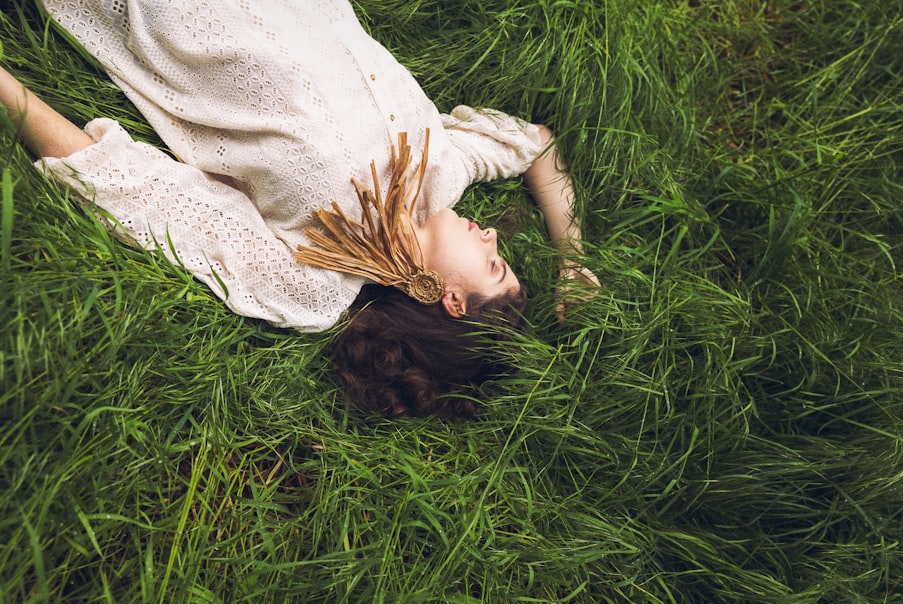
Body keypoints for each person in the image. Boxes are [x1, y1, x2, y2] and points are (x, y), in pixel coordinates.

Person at [1, 0, 599, 418]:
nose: (492, 234)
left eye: (493, 264)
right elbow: (536, 144)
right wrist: (572, 262)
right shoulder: (443, 170)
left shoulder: (316, 280)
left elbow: (134, 188)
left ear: (449, 298)